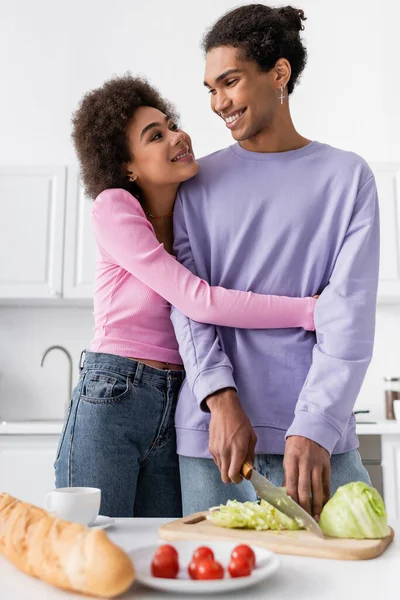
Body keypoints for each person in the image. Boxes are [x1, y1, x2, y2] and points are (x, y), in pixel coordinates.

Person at [54, 74, 317, 518]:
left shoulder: (193, 213)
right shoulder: (115, 208)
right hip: (113, 394)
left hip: (179, 399)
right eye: (156, 136)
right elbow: (199, 300)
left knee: (159, 552)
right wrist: (310, 310)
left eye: (171, 124)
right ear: (127, 167)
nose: (178, 136)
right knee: (91, 545)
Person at [171, 4, 379, 520]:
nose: (218, 103)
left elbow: (347, 311)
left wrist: (313, 422)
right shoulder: (195, 183)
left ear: (279, 73)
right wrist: (219, 400)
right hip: (216, 444)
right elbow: (188, 303)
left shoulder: (348, 178)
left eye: (230, 82)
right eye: (210, 89)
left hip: (317, 437)